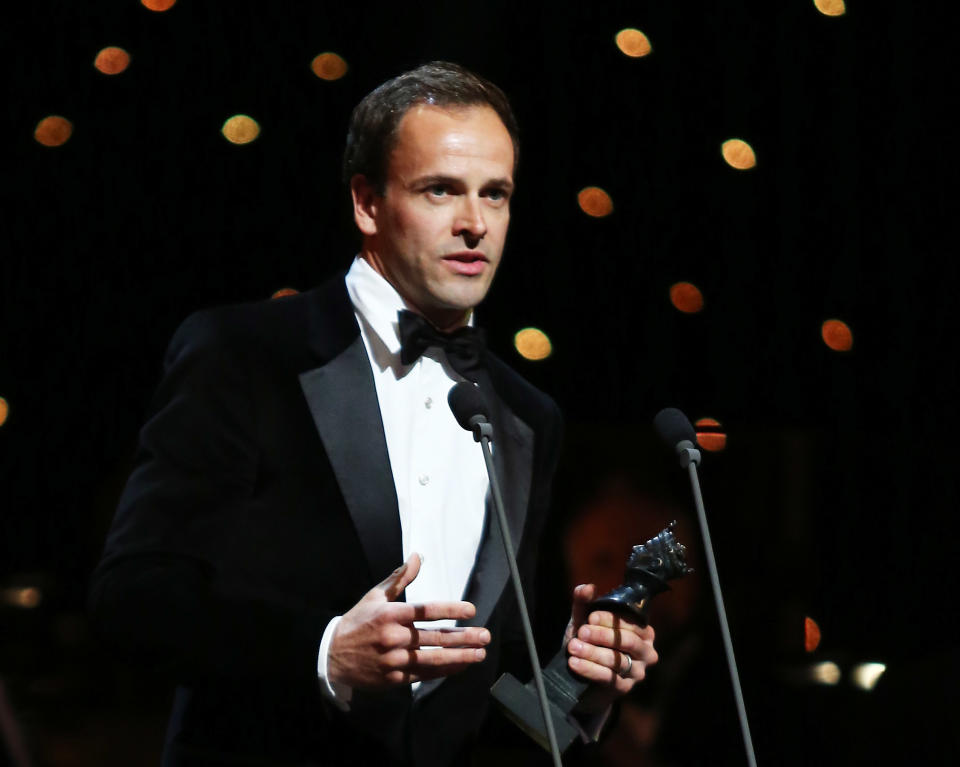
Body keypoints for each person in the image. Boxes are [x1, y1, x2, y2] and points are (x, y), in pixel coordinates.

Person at [89, 61, 658, 767]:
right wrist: (327, 652)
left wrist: (583, 678)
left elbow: (490, 698)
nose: (475, 223)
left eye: (496, 194)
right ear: (367, 202)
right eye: (441, 190)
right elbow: (132, 598)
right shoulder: (244, 356)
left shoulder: (526, 415)